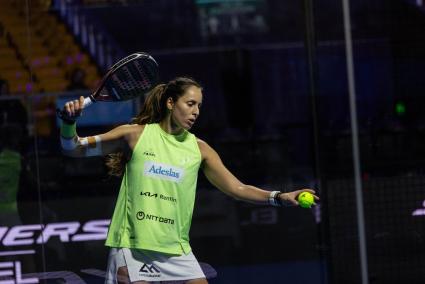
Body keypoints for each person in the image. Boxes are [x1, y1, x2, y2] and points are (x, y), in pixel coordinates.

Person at [59, 77, 319, 284]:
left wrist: (280, 197)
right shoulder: (134, 136)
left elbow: (237, 188)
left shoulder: (200, 149)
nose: (195, 112)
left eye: (199, 106)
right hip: (133, 245)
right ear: (171, 103)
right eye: (190, 103)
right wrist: (69, 123)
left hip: (175, 248)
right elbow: (73, 148)